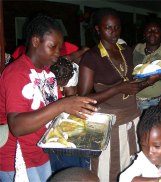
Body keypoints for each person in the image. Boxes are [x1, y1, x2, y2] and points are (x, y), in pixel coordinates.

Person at [0, 14, 97, 182]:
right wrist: (62, 105)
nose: (58, 53)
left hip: (41, 152)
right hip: (17, 159)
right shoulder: (17, 73)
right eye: (53, 46)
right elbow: (16, 126)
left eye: (59, 48)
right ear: (36, 41)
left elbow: (56, 111)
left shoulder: (47, 74)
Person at [77, 7, 154, 182]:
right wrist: (117, 88)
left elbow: (130, 87)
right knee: (107, 171)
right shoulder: (92, 57)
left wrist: (150, 80)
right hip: (109, 124)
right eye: (108, 28)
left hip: (133, 119)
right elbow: (82, 99)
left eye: (117, 27)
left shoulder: (126, 50)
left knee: (131, 166)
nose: (114, 32)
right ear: (98, 29)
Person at [133, 20, 161, 112]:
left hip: (153, 102)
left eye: (156, 31)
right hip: (132, 100)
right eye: (149, 31)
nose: (152, 33)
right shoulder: (136, 48)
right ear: (144, 35)